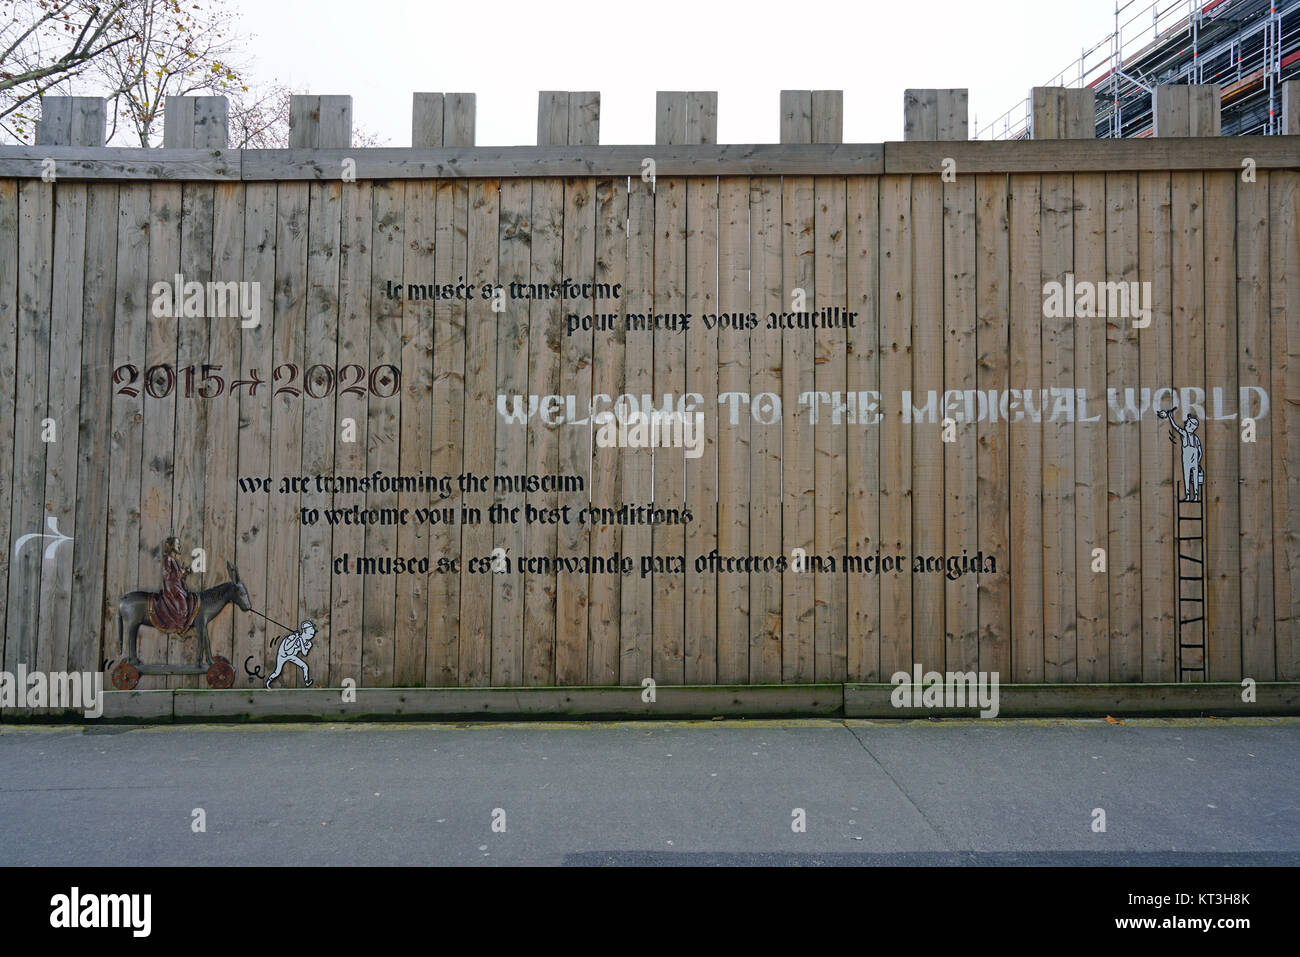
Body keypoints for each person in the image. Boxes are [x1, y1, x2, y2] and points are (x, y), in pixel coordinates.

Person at [1157, 407, 1204, 502]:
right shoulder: (1188, 435)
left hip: (1192, 461)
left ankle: (1194, 496)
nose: (1186, 424)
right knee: (1188, 478)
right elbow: (1175, 427)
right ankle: (1189, 496)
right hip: (1189, 461)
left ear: (1191, 426)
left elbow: (1200, 451)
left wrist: (1198, 461)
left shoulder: (1192, 437)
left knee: (1192, 478)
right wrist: (1170, 417)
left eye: (1188, 423)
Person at [152, 536, 198, 632]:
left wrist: (183, 572)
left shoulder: (173, 560)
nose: (179, 547)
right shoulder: (168, 559)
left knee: (184, 601)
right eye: (177, 545)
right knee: (182, 606)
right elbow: (167, 575)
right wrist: (181, 573)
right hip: (172, 588)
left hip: (176, 586)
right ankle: (179, 625)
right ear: (172, 546)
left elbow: (177, 574)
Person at [267, 620, 316, 688]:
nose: (312, 635)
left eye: (313, 634)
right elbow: (286, 648)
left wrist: (301, 640)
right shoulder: (292, 637)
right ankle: (268, 683)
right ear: (305, 631)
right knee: (277, 672)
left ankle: (307, 682)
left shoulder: (308, 643)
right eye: (311, 634)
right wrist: (296, 638)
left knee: (305, 666)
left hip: (291, 656)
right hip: (283, 655)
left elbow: (304, 653)